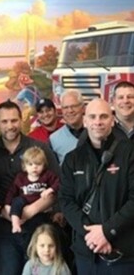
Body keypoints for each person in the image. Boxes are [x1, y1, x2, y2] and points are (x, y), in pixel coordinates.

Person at [59, 98, 134, 274]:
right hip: (87, 252)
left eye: (103, 116)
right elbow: (66, 200)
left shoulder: (130, 153)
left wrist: (107, 232)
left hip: (123, 254)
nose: (97, 122)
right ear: (85, 121)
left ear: (112, 120)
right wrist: (92, 236)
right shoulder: (72, 159)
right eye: (92, 117)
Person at [0, 99, 60, 275]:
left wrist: (31, 211)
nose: (10, 126)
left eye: (14, 120)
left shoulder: (39, 148)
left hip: (38, 230)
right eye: (4, 121)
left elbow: (58, 186)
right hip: (2, 230)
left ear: (21, 120)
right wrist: (2, 212)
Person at [5, 146, 60, 233]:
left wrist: (50, 189)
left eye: (38, 164)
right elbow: (12, 191)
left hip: (40, 207)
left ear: (44, 165)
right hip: (24, 202)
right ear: (24, 166)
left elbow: (59, 182)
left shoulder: (47, 175)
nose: (34, 167)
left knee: (42, 223)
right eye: (30, 164)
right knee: (16, 201)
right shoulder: (20, 177)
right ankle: (15, 224)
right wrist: (7, 205)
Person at [49, 90, 85, 165]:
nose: (70, 110)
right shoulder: (53, 140)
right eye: (65, 107)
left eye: (74, 106)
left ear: (83, 108)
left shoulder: (96, 133)